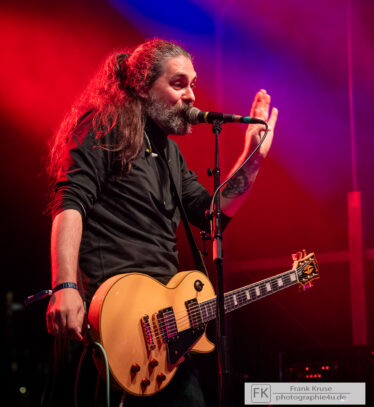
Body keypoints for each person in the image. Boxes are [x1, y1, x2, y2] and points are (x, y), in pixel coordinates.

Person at [44, 39, 277, 406]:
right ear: (142, 86)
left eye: (193, 84)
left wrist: (253, 157)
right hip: (111, 320)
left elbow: (211, 214)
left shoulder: (169, 152)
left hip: (163, 331)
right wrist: (65, 285)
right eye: (178, 83)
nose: (191, 95)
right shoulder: (104, 125)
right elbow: (70, 202)